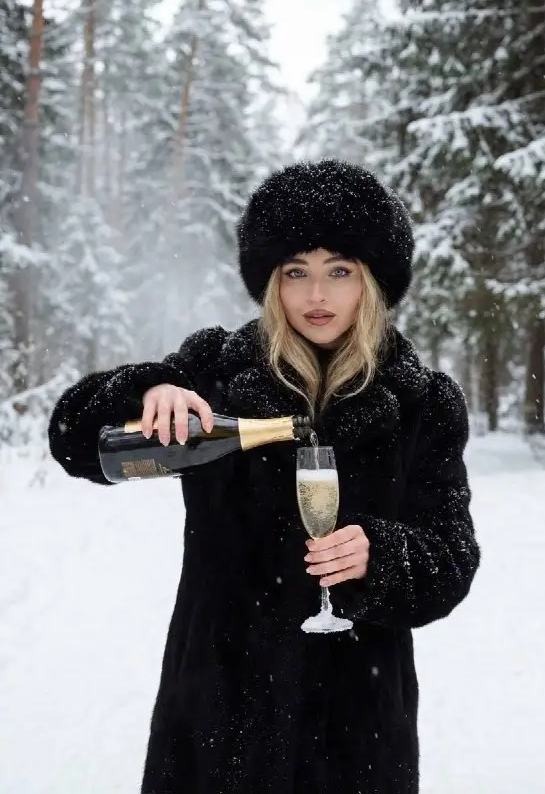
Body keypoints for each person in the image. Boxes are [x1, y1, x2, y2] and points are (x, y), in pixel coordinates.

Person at [48, 159, 480, 794]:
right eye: (295, 273)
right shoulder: (214, 372)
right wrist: (143, 392)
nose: (316, 296)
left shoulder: (423, 402)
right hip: (218, 718)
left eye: (340, 271)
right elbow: (72, 440)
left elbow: (452, 558)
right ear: (270, 283)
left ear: (374, 282)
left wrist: (380, 555)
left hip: (357, 729)